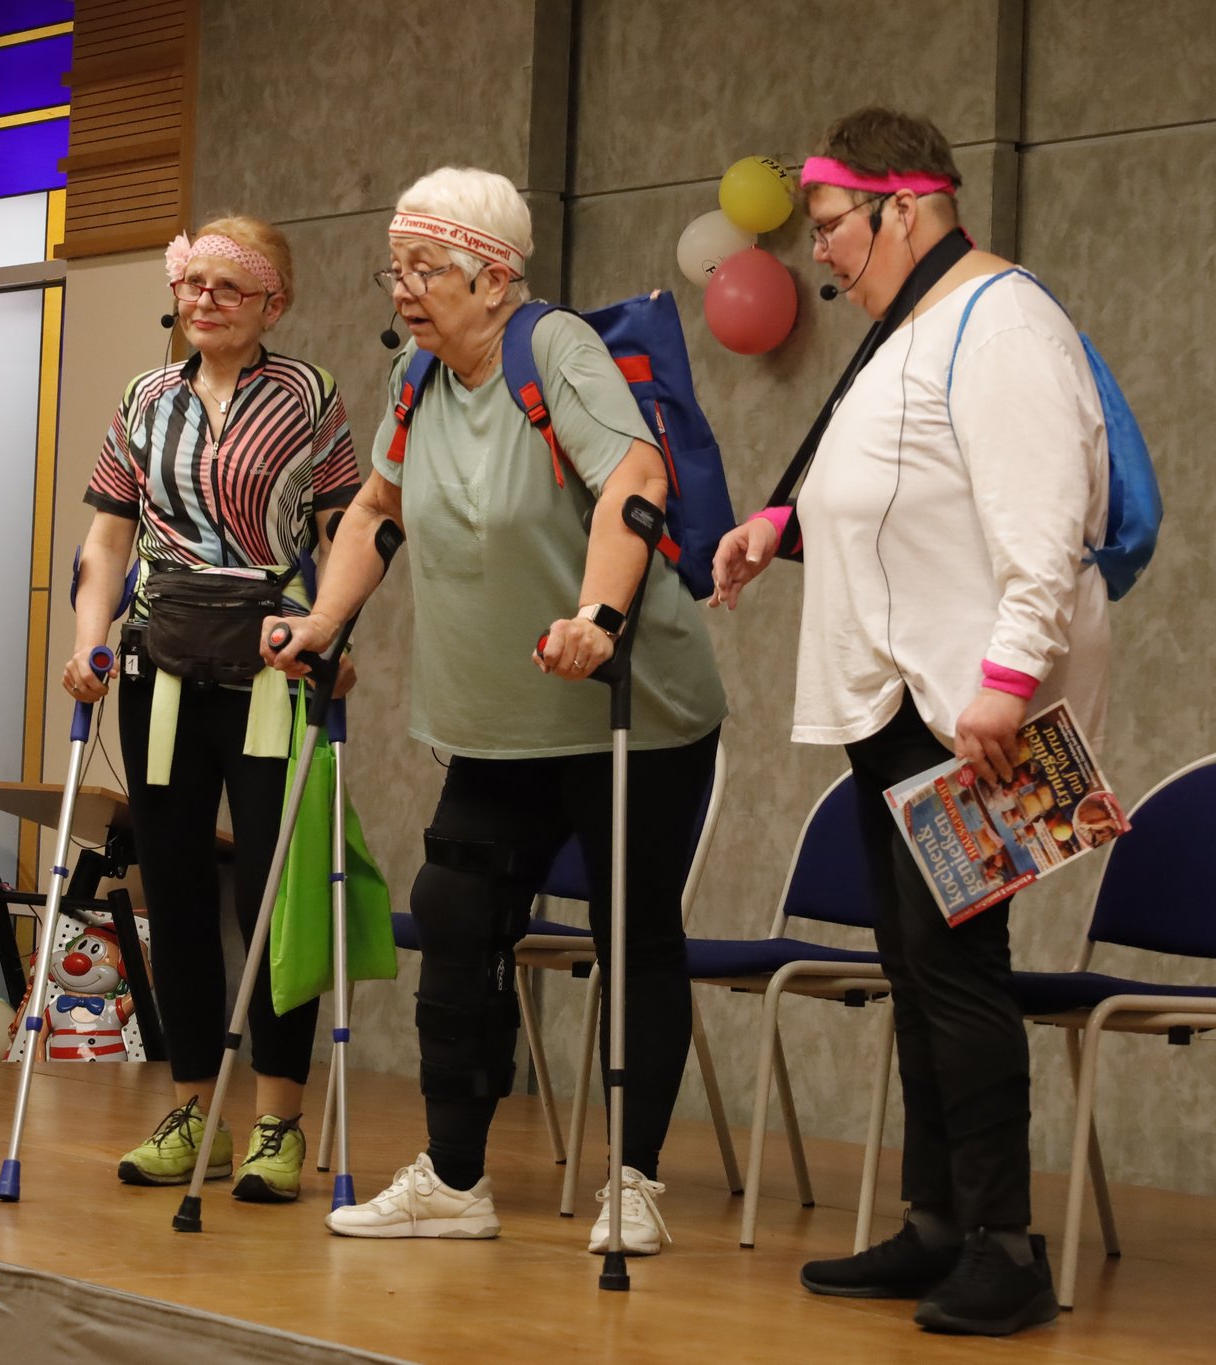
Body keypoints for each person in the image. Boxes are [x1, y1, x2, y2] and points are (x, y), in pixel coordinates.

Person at [264, 166, 726, 1254]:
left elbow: (634, 480)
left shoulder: (554, 349)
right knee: (459, 919)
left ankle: (634, 1181)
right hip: (495, 720)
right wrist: (323, 622)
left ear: (494, 278)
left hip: (629, 709)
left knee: (633, 934)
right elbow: (376, 507)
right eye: (396, 269)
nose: (403, 289)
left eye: (425, 269)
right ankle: (453, 1178)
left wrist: (598, 615)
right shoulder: (417, 377)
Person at [710, 107, 1111, 1336]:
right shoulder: (912, 328)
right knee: (914, 969)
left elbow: (1043, 523)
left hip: (965, 707)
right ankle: (938, 1223)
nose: (818, 251)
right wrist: (778, 525)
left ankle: (1003, 1247)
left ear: (904, 206)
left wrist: (1005, 680)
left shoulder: (1002, 321)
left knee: (958, 973)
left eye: (831, 224)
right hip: (898, 701)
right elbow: (881, 477)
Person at [66, 215, 360, 1205]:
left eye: (228, 288)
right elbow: (107, 539)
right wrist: (88, 638)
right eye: (193, 283)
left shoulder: (307, 395)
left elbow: (347, 529)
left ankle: (279, 1120)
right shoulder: (144, 398)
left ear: (274, 302)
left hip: (273, 666)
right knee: (176, 887)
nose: (204, 301)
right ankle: (194, 1109)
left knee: (272, 893)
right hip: (159, 664)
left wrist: (330, 632)